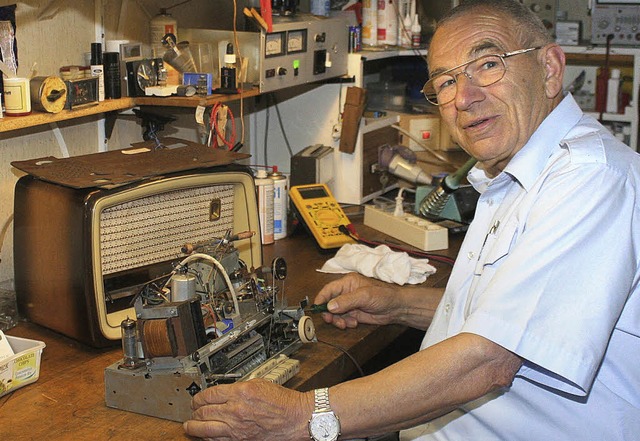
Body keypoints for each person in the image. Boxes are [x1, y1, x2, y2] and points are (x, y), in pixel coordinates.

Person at [183, 0, 640, 439]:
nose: (464, 97)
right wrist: (398, 304)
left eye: (488, 64)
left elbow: (490, 360)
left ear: (550, 69)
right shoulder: (512, 173)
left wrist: (303, 417)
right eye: (444, 82)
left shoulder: (590, 177)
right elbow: (509, 317)